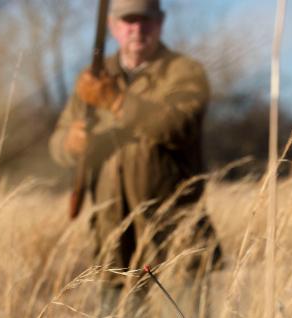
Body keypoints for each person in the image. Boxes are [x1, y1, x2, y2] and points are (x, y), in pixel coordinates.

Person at [49, 0, 221, 278]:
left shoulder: (185, 72)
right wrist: (69, 143)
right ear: (113, 26)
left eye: (146, 20)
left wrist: (118, 102)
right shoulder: (92, 79)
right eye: (129, 20)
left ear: (160, 22)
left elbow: (179, 127)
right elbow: (58, 142)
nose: (137, 28)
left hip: (178, 242)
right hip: (113, 242)